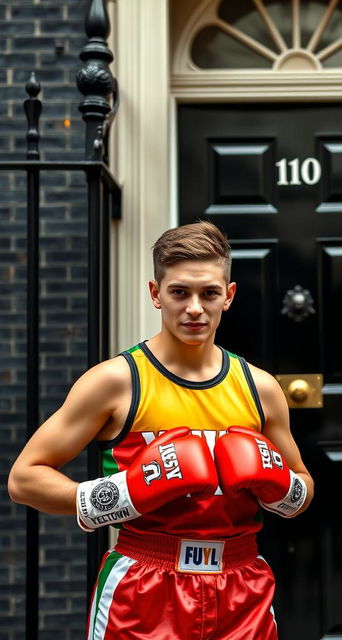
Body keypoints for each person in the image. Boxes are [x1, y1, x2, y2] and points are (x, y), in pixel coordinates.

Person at [8, 220, 314, 640]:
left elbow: (302, 489)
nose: (194, 308)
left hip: (242, 585)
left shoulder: (260, 388)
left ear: (229, 295)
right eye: (179, 293)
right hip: (144, 585)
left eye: (208, 293)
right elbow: (24, 479)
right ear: (156, 294)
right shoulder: (116, 382)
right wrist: (124, 493)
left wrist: (280, 485)